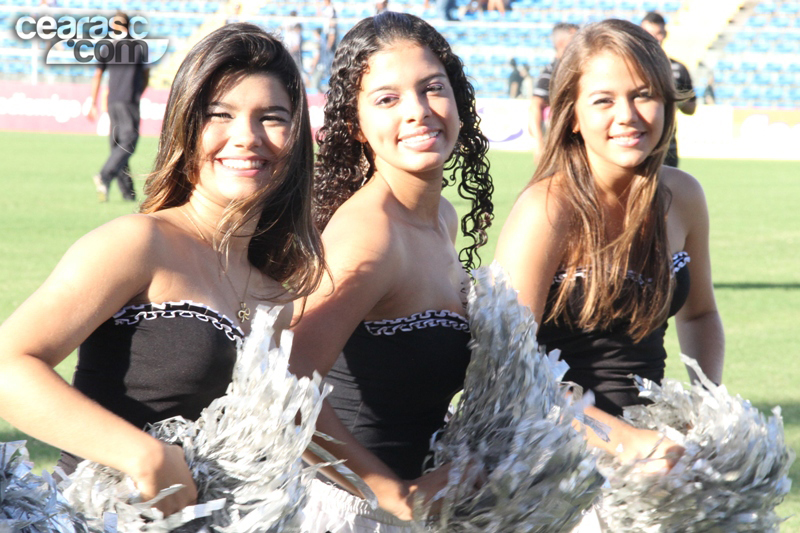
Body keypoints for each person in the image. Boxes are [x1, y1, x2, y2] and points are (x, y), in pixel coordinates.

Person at [0, 23, 323, 517]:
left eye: (272, 118)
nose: (247, 137)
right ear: (185, 126)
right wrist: (141, 455)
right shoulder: (140, 243)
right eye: (220, 114)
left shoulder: (275, 298)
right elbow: (8, 367)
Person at [288, 12, 493, 531]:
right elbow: (283, 388)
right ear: (356, 124)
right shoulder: (369, 234)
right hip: (348, 513)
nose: (418, 112)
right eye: (387, 99)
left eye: (432, 89)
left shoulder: (441, 218)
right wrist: (389, 491)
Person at [496, 18, 723, 466]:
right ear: (573, 115)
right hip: (552, 458)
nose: (628, 115)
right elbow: (506, 369)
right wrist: (620, 439)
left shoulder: (684, 196)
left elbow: (700, 314)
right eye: (604, 100)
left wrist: (708, 407)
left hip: (648, 451)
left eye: (644, 95)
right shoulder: (547, 208)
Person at [87, 11, 147, 202]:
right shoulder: (138, 47)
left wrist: (93, 102)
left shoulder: (107, 47)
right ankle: (105, 174)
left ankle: (128, 194)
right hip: (128, 101)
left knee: (118, 146)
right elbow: (145, 75)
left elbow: (97, 75)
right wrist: (139, 92)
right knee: (128, 142)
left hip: (113, 102)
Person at [641, 11, 696, 167]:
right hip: (639, 143)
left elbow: (691, 108)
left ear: (665, 34)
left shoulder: (678, 68)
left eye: (658, 33)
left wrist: (674, 99)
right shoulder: (631, 66)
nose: (654, 38)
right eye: (648, 33)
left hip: (667, 146)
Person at [528, 22, 578, 164]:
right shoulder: (552, 71)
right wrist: (539, 144)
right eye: (576, 37)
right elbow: (535, 106)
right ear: (563, 42)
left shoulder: (576, 68)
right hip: (562, 144)